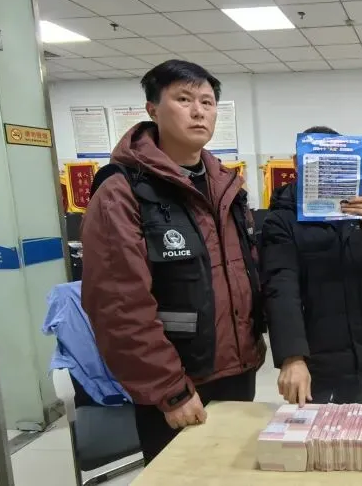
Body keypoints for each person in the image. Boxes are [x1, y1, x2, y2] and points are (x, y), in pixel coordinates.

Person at [81, 60, 265, 462]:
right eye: (183, 99)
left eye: (207, 102)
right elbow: (119, 306)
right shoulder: (122, 190)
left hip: (237, 371)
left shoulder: (226, 186)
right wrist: (171, 390)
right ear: (152, 109)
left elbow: (246, 271)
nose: (199, 111)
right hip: (176, 384)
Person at [261, 126, 362, 406]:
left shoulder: (356, 212)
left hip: (359, 352)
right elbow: (281, 288)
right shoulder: (281, 220)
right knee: (310, 427)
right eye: (317, 162)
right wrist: (293, 356)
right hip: (313, 358)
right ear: (297, 163)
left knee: (354, 425)